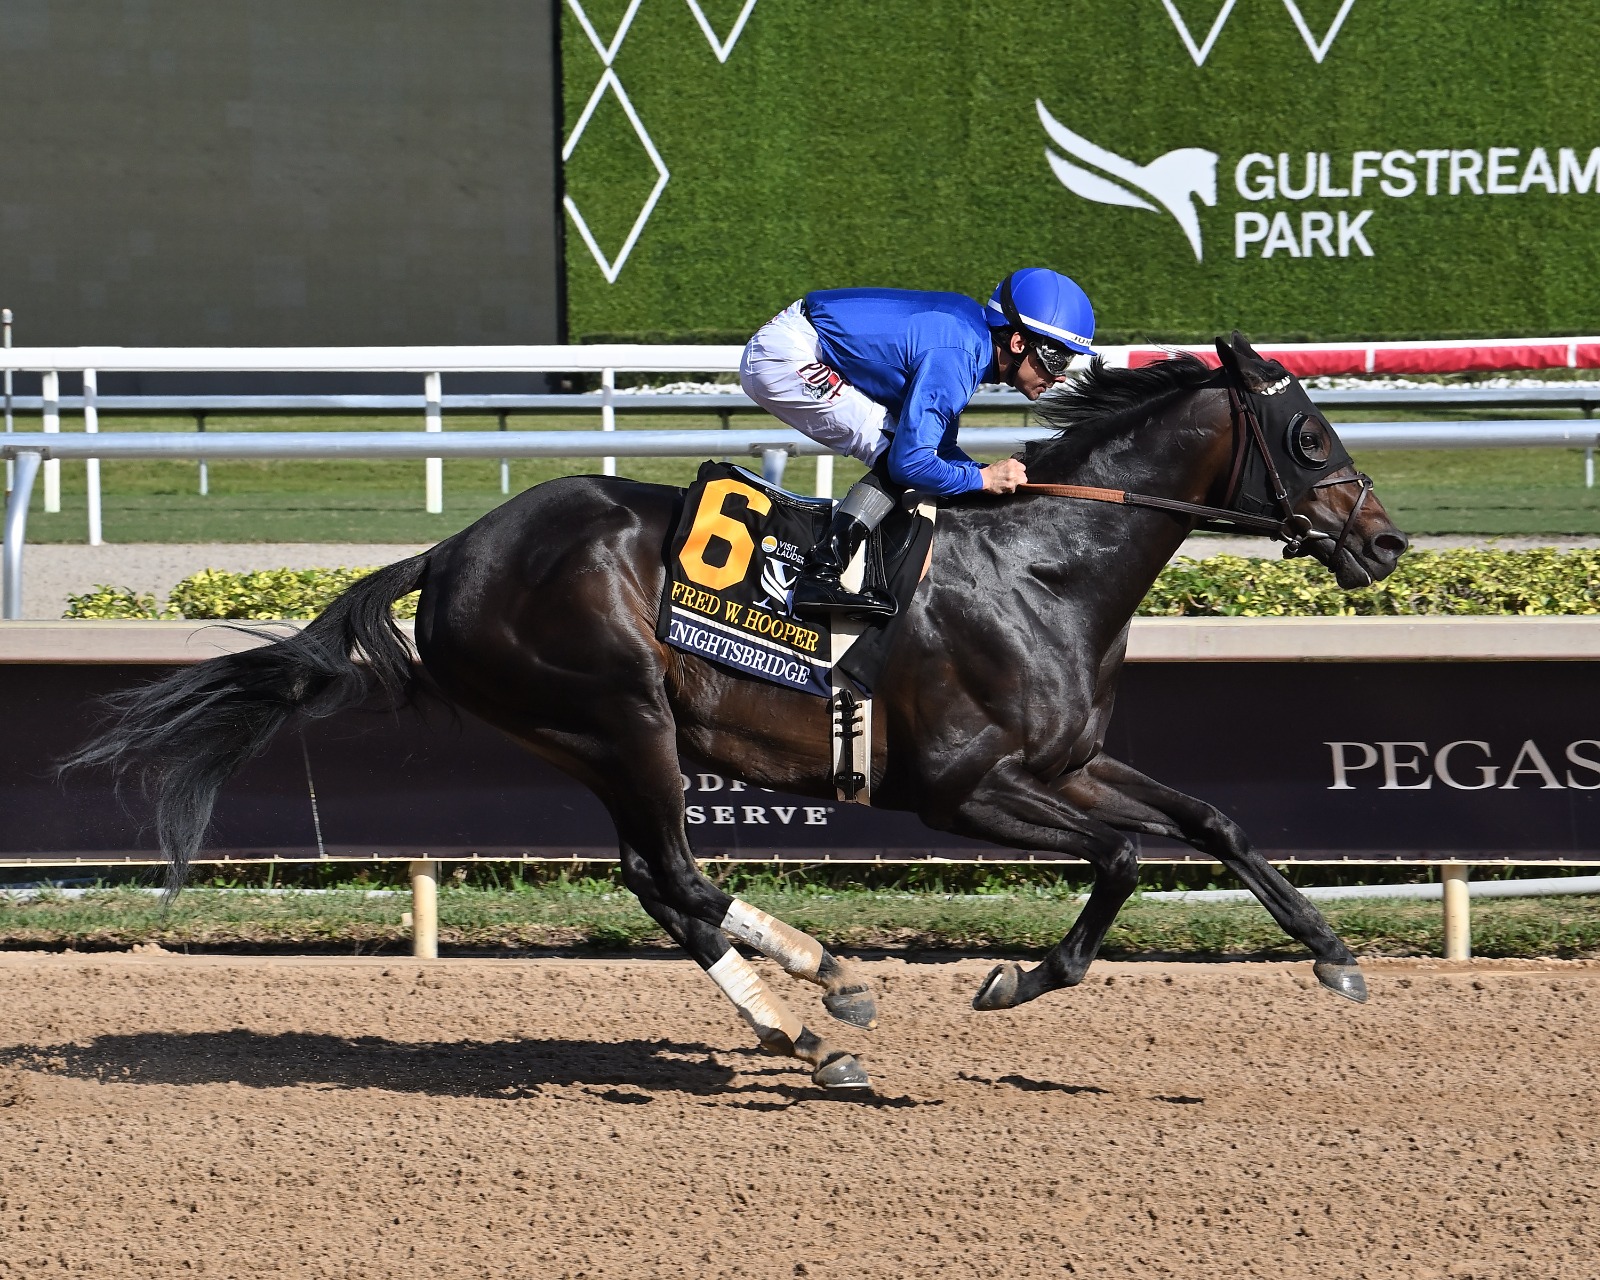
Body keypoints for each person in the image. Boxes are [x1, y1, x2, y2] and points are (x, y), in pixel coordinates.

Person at [739, 268, 1095, 619]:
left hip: (801, 337)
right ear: (1018, 342)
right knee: (898, 454)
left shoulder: (968, 344)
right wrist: (984, 479)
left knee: (912, 454)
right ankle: (820, 575)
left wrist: (984, 475)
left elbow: (939, 451)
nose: (1060, 375)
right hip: (785, 356)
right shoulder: (957, 357)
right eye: (1056, 358)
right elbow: (910, 463)